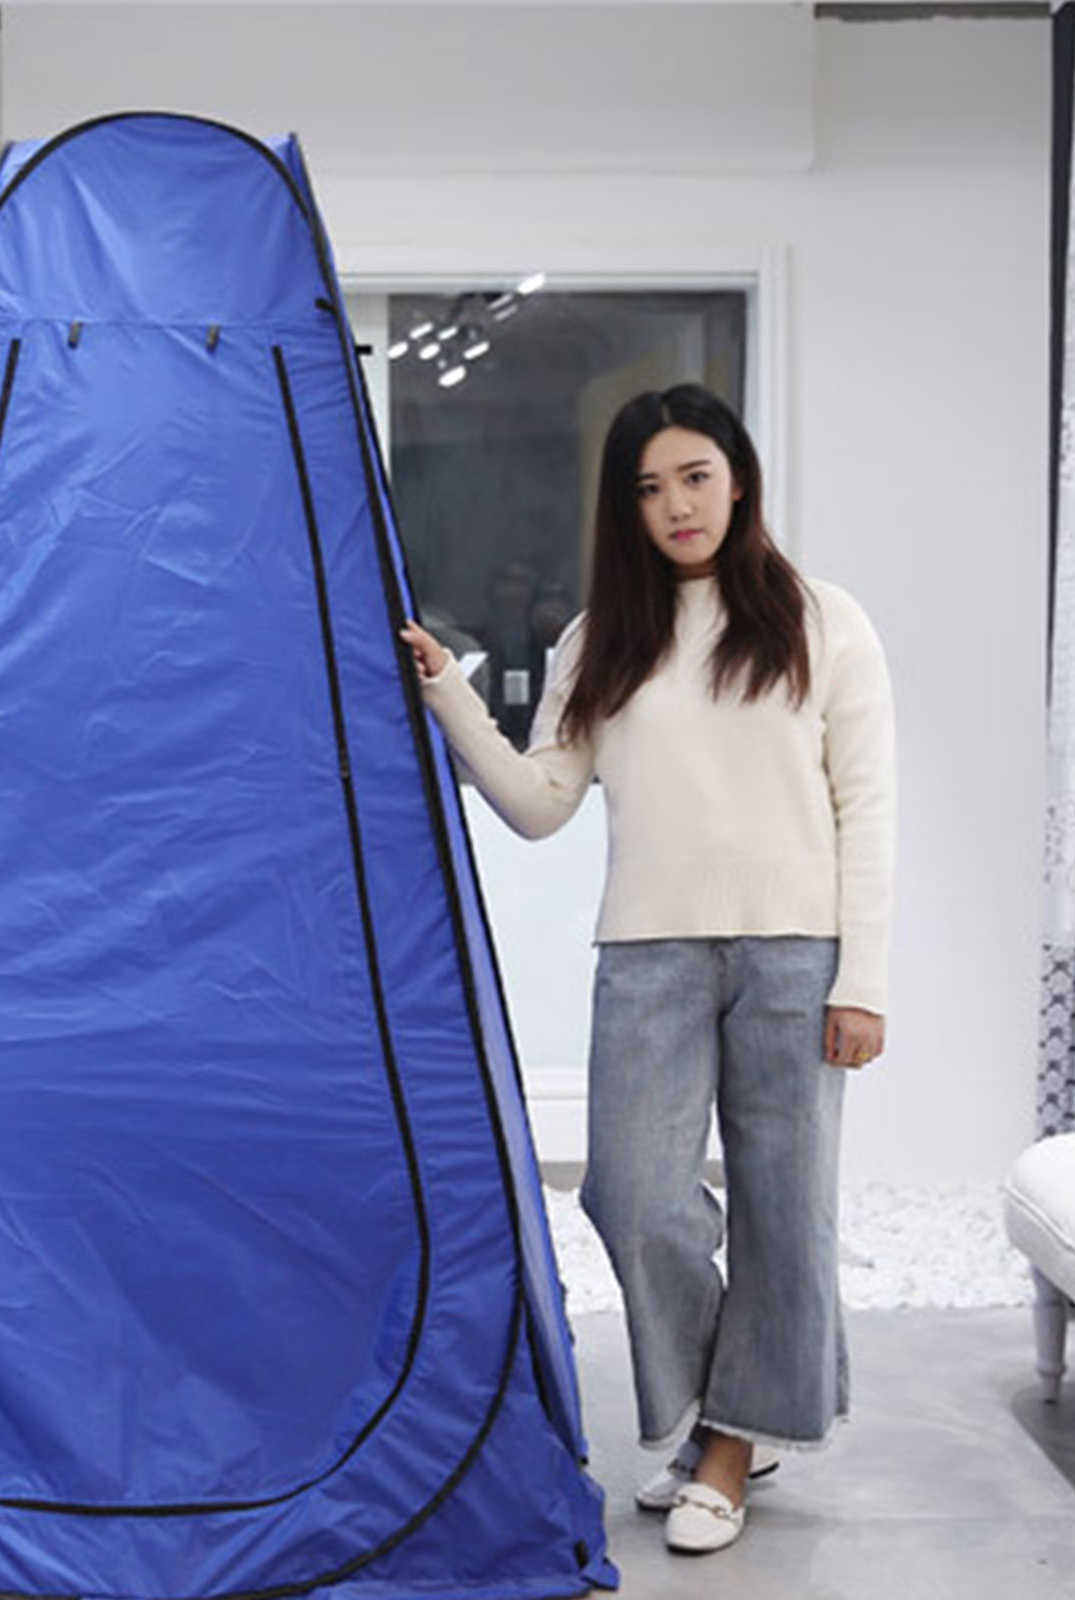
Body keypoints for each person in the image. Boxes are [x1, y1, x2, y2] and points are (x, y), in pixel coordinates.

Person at [400, 383, 895, 1556]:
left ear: (738, 479)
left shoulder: (825, 622)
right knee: (630, 1192)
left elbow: (867, 809)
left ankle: (726, 1443)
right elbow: (539, 803)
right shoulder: (599, 641)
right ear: (625, 508)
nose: (676, 504)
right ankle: (740, 1406)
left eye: (694, 477)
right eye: (648, 488)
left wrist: (862, 982)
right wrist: (449, 693)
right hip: (646, 952)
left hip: (795, 954)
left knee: (784, 1207)